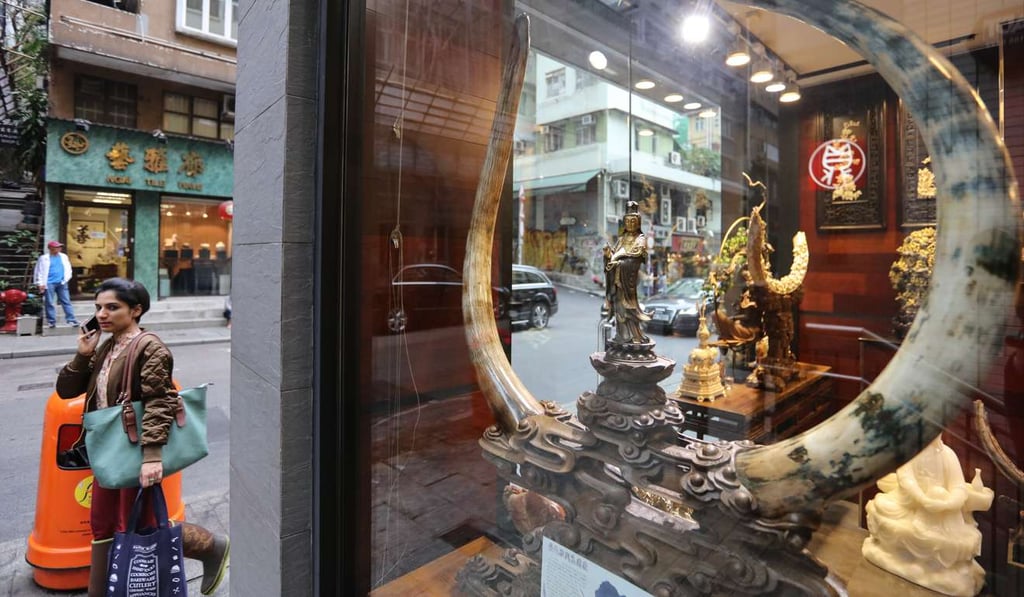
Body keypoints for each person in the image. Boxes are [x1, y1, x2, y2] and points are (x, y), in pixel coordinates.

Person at [56, 278, 229, 596]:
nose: (102, 314)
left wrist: (152, 457)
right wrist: (83, 355)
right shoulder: (107, 345)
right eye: (98, 308)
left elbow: (159, 403)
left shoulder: (150, 347)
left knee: (143, 524)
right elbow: (66, 391)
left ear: (136, 310)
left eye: (112, 307)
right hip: (109, 450)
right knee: (103, 523)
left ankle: (212, 548)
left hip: (135, 451)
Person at [602, 201, 651, 345]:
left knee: (628, 309)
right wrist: (608, 255)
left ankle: (634, 336)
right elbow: (614, 255)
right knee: (619, 309)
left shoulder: (640, 239)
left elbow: (635, 259)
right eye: (627, 221)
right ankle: (621, 335)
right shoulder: (622, 239)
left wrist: (619, 263)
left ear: (638, 223)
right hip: (617, 281)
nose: (630, 224)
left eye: (633, 221)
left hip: (627, 280)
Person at [33, 240, 79, 328]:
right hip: (49, 283)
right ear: (50, 248)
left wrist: (66, 279)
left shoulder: (63, 256)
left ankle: (71, 320)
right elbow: (39, 271)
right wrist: (40, 283)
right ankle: (51, 321)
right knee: (49, 302)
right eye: (57, 247)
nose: (59, 248)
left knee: (66, 301)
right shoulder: (44, 258)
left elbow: (68, 268)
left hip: (62, 282)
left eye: (59, 247)